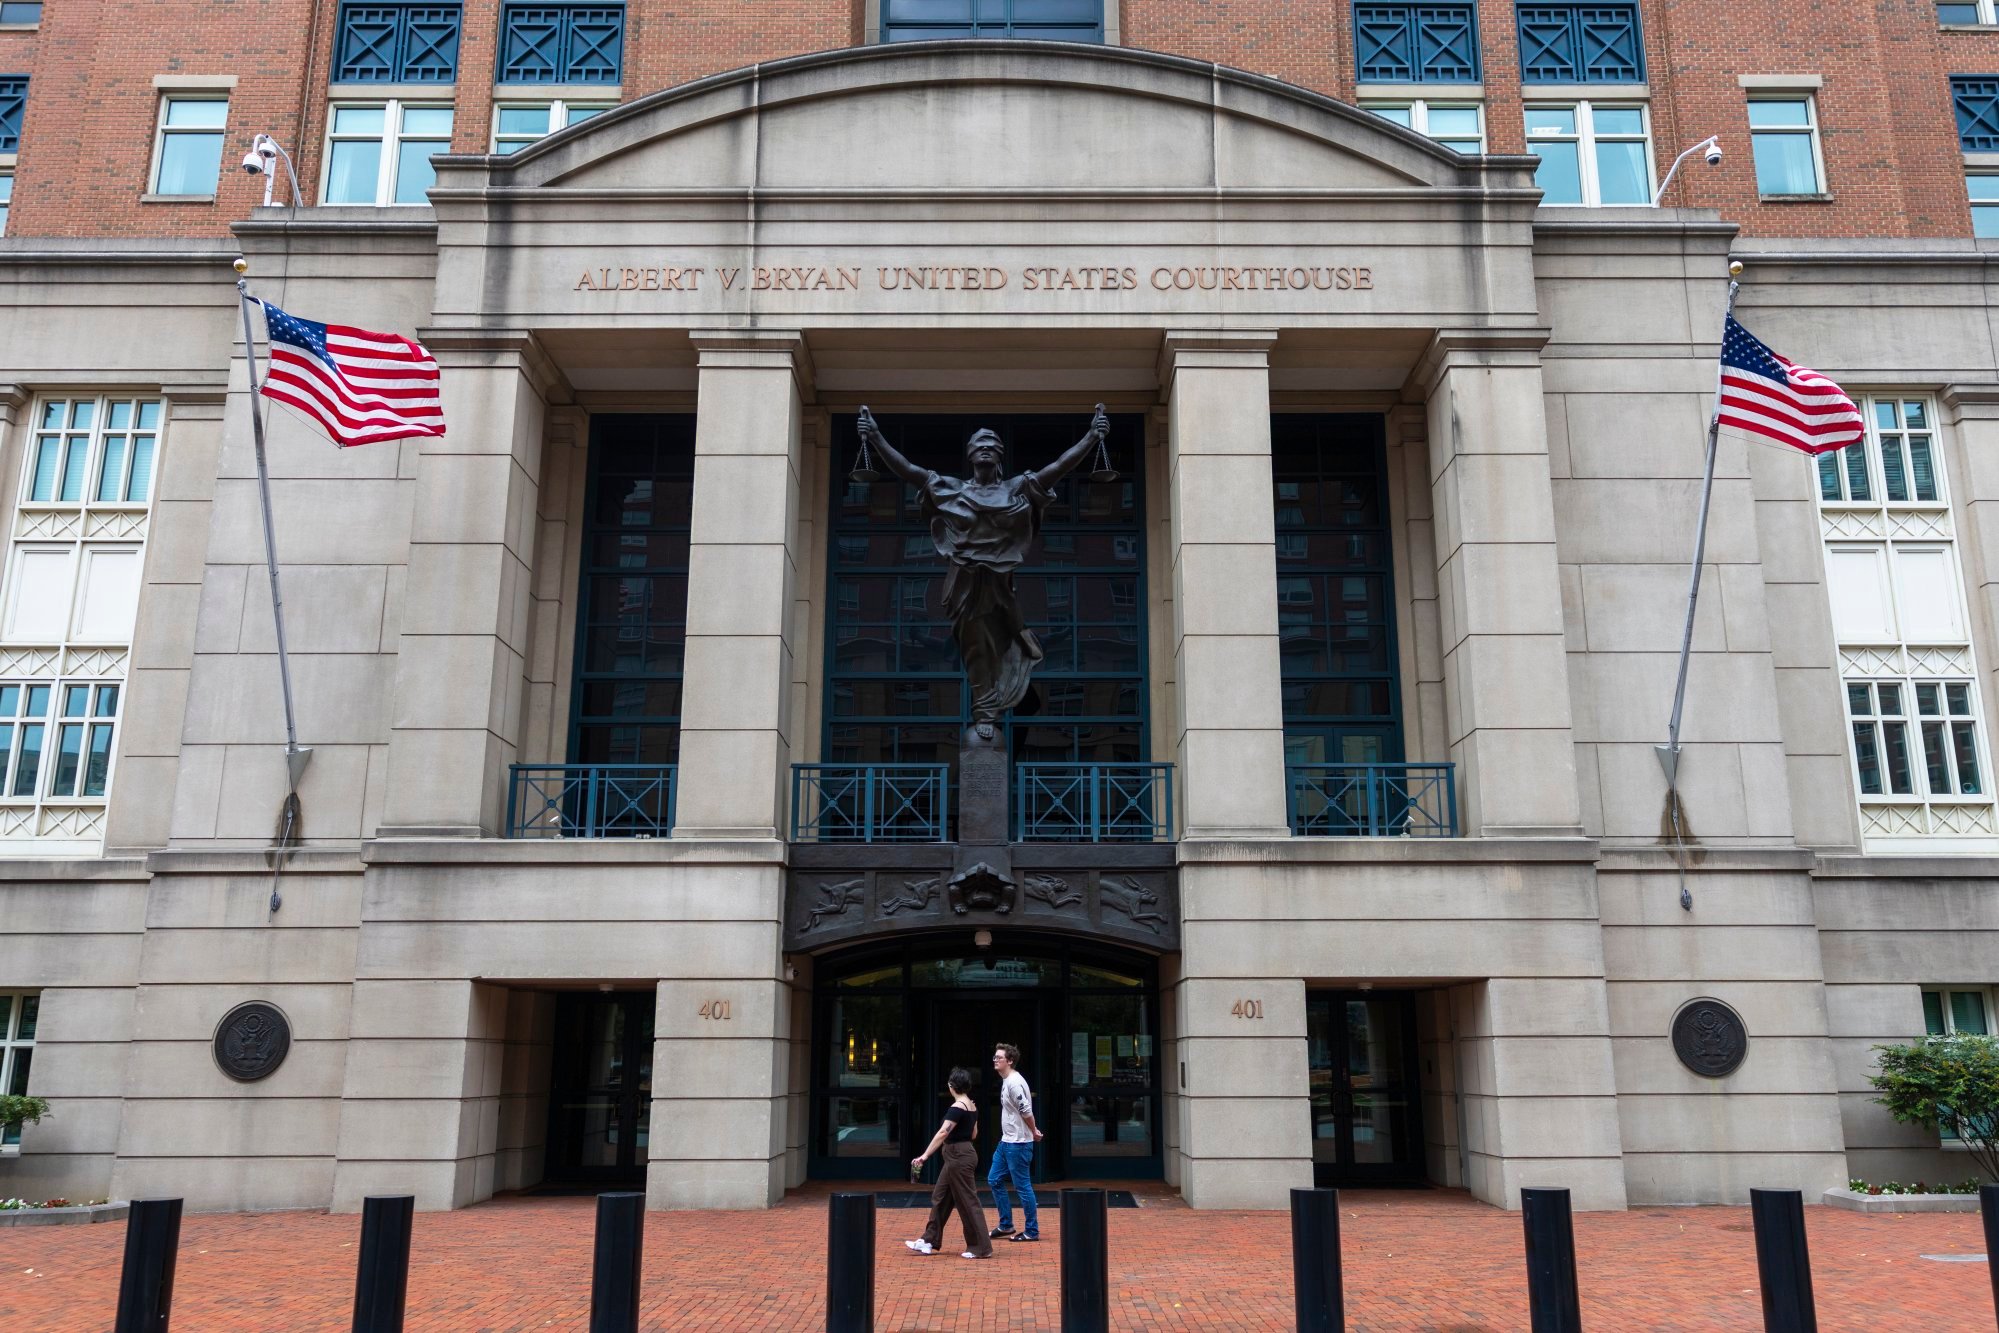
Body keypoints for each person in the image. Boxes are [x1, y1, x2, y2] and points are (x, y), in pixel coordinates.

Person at [853, 406, 1109, 740]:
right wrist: (874, 437)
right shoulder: (951, 490)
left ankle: (1000, 701)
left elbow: (1058, 467)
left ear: (999, 454)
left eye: (991, 443)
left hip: (1001, 588)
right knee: (975, 649)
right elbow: (909, 470)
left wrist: (1092, 436)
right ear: (970, 455)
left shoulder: (1017, 489)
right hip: (964, 585)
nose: (985, 447)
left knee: (1007, 647)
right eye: (978, 444)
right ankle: (984, 710)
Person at [905, 1067, 993, 1259]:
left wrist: (925, 1155)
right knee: (940, 1197)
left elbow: (943, 1133)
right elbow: (974, 1135)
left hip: (958, 1156)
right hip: (961, 1154)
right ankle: (929, 1240)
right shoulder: (971, 1106)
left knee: (968, 1201)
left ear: (951, 1086)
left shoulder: (957, 1108)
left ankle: (981, 1248)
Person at [987, 1042, 1042, 1242]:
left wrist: (1033, 1130)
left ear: (1010, 1061)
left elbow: (1026, 1110)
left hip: (1018, 1143)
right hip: (1007, 1141)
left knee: (1023, 1186)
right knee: (994, 1179)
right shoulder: (1007, 1080)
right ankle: (1006, 1225)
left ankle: (1031, 1231)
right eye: (994, 1057)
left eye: (999, 1058)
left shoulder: (1014, 1082)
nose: (995, 1060)